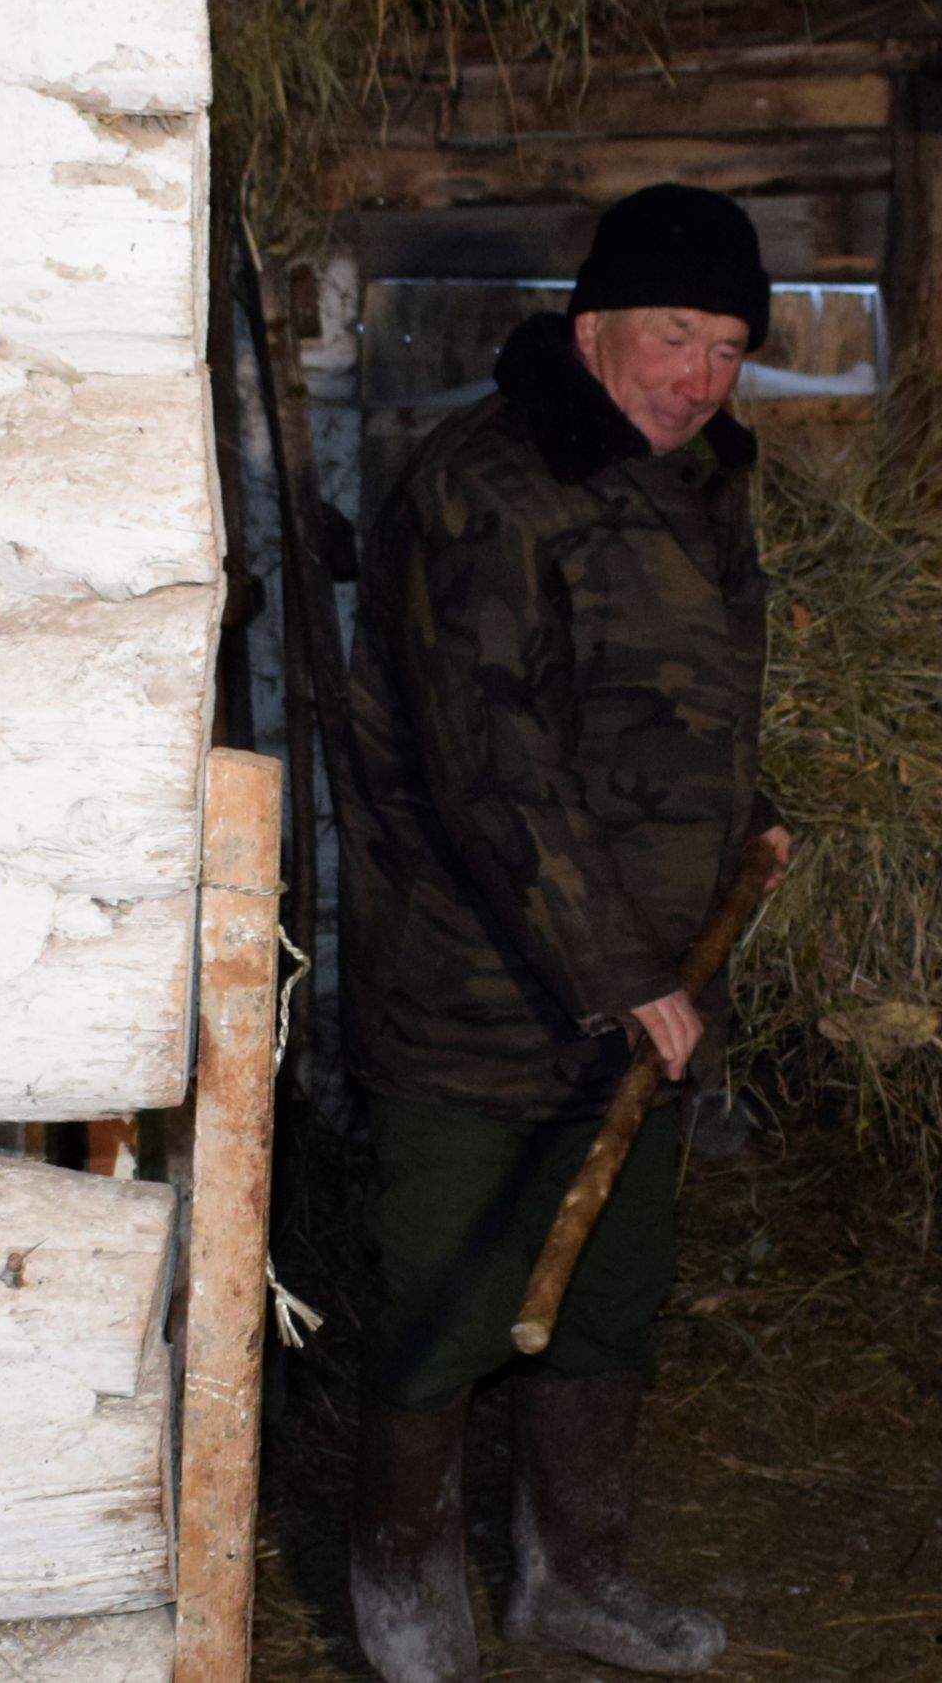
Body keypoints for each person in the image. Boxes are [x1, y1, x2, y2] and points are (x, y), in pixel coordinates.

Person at [338, 182, 791, 1683]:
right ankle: (407, 1596)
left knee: (607, 1290)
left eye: (730, 346)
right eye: (676, 335)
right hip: (477, 990)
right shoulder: (483, 485)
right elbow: (495, 764)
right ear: (593, 325)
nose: (702, 376)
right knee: (449, 1290)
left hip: (642, 995)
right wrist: (623, 970)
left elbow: (672, 716)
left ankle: (573, 1579)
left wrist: (749, 822)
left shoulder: (707, 485)